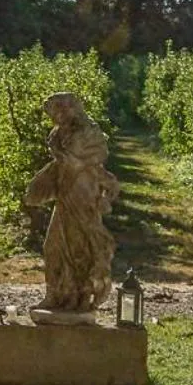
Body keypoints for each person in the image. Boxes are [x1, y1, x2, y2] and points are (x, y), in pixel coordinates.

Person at [25, 92, 120, 314]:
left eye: (61, 109)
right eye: (53, 112)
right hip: (64, 194)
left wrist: (76, 163)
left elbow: (99, 156)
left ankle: (80, 298)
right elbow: (59, 164)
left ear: (72, 109)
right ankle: (55, 295)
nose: (57, 115)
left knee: (81, 248)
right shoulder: (56, 135)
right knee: (54, 246)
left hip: (83, 193)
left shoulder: (89, 132)